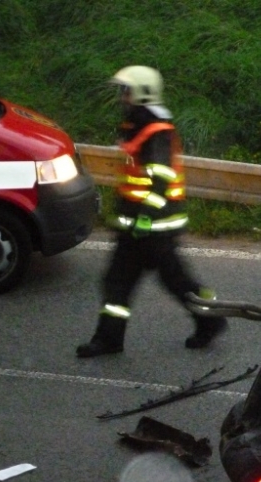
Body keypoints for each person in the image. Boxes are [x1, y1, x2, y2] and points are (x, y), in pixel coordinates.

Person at [76, 65, 227, 357]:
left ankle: (210, 321)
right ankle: (108, 339)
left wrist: (145, 215)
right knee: (117, 283)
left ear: (142, 94)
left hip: (156, 227)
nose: (122, 97)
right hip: (136, 226)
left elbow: (161, 178)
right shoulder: (138, 125)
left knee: (177, 282)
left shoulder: (156, 131)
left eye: (126, 91)